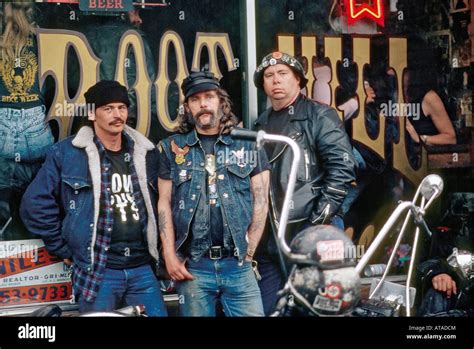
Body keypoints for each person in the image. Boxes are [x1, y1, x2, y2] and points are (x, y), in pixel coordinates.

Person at [20, 80, 167, 316]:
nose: (117, 115)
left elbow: (165, 205)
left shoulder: (145, 153)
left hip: (142, 267)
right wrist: (65, 248)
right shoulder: (67, 153)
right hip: (99, 270)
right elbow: (34, 205)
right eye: (108, 108)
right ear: (92, 113)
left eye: (121, 107)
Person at [157, 70, 270, 316]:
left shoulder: (248, 144)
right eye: (195, 99)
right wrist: (169, 254)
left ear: (221, 101)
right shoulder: (171, 148)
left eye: (209, 96)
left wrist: (248, 252)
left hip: (238, 264)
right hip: (195, 265)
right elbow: (164, 203)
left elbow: (261, 201)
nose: (203, 104)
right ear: (187, 107)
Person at [253, 51, 357, 315]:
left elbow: (342, 168)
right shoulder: (260, 124)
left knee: (321, 308)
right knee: (271, 309)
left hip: (315, 230)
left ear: (298, 79)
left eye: (282, 73)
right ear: (263, 83)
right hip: (273, 237)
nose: (275, 80)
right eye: (269, 75)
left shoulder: (319, 115)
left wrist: (317, 223)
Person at [0, 1, 54, 240]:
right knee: (37, 200)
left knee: (4, 197)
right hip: (36, 124)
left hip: (2, 124)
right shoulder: (44, 39)